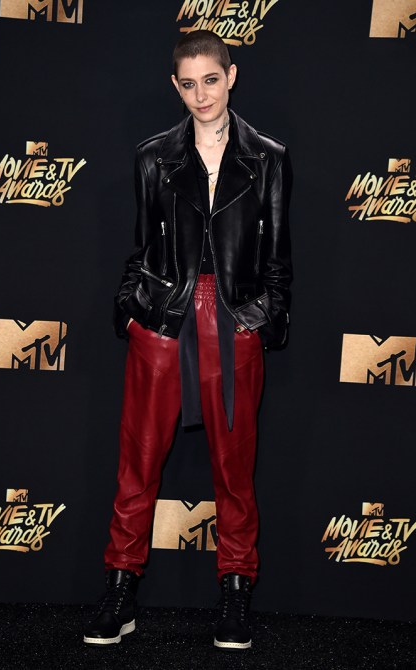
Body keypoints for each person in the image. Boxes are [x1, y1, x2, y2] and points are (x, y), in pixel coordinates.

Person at [83, 29, 292, 651]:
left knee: (235, 472)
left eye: (211, 79)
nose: (201, 94)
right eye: (188, 83)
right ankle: (119, 595)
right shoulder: (153, 156)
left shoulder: (268, 157)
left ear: (232, 76)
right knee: (137, 465)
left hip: (233, 322)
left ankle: (235, 596)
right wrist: (130, 312)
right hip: (163, 321)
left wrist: (261, 317)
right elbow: (142, 245)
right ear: (175, 87)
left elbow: (278, 259)